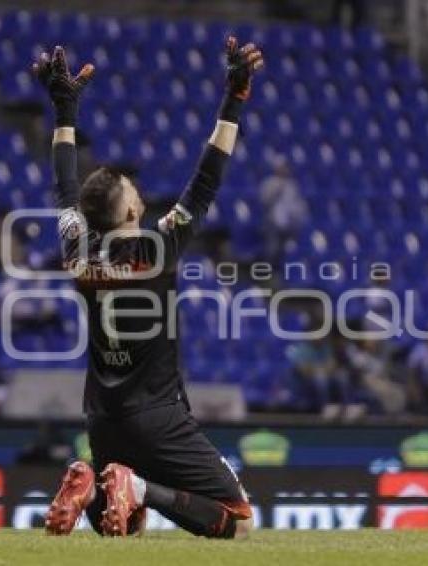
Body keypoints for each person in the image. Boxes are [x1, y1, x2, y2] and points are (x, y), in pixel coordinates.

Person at [35, 39, 263, 539]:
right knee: (238, 521)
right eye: (136, 193)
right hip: (157, 415)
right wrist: (234, 99)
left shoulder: (76, 250)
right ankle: (135, 487)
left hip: (101, 415)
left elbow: (63, 185)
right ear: (134, 213)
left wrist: (63, 112)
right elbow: (207, 179)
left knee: (125, 533)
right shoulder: (158, 248)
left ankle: (93, 486)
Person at [258, 158, 309, 262]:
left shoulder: (292, 184)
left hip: (290, 222)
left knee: (293, 245)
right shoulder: (269, 183)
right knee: (272, 247)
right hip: (272, 222)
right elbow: (264, 201)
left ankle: (287, 266)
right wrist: (276, 191)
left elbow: (297, 204)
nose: (285, 169)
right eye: (282, 167)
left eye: (286, 167)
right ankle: (268, 270)